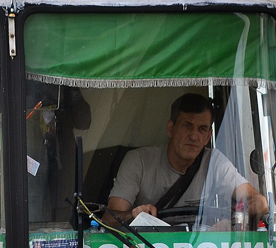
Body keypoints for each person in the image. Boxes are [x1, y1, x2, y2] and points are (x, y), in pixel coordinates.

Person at [106, 93, 267, 224]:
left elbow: (259, 201)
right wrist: (135, 214)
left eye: (202, 129)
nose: (194, 136)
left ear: (208, 137)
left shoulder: (214, 161)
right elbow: (109, 220)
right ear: (170, 129)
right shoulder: (139, 161)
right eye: (187, 126)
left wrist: (239, 215)